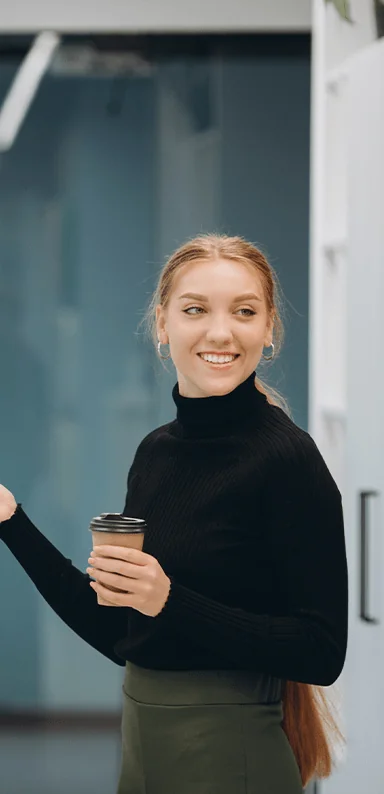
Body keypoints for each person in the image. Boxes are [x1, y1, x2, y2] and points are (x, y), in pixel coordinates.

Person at [0, 234, 348, 794]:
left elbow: (322, 653)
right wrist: (11, 521)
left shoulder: (287, 460)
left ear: (269, 329)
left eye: (244, 311)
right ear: (162, 325)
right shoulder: (155, 452)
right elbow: (120, 632)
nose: (220, 332)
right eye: (195, 310)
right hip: (143, 749)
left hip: (231, 759)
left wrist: (170, 600)